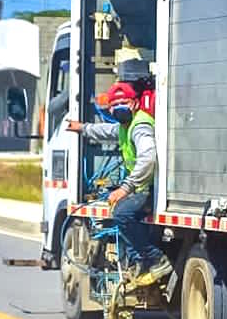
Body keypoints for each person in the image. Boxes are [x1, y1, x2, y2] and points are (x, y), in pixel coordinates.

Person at [67, 81, 172, 287]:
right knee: (120, 214)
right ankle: (138, 262)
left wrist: (125, 188)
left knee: (122, 214)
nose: (118, 108)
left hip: (149, 189)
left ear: (134, 103)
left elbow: (148, 159)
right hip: (140, 188)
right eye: (114, 104)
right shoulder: (125, 126)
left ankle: (155, 259)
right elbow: (107, 131)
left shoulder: (140, 126)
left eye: (124, 102)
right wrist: (83, 128)